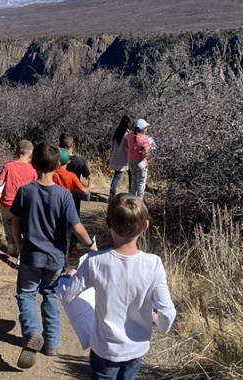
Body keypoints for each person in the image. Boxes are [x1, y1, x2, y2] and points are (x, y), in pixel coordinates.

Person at [58, 193, 176, 380]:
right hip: (136, 347)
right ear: (145, 226)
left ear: (108, 224)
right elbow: (168, 311)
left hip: (105, 348)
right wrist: (159, 323)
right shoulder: (153, 264)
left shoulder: (94, 262)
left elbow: (66, 295)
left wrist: (66, 279)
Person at [10, 142, 98, 369]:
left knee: (27, 295)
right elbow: (76, 226)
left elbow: (15, 223)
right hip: (56, 259)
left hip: (30, 256)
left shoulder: (25, 192)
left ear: (34, 164)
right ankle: (51, 344)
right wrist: (90, 245)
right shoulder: (64, 196)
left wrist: (20, 246)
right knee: (50, 295)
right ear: (58, 164)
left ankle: (31, 332)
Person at [0, 140, 37, 257]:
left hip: (6, 203)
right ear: (31, 154)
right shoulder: (32, 170)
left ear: (17, 151)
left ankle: (11, 246)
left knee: (8, 224)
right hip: (23, 205)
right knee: (23, 227)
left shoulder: (8, 166)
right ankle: (22, 249)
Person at [59, 134, 93, 252]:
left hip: (58, 194)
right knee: (74, 219)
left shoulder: (56, 162)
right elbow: (88, 175)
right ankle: (73, 245)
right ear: (73, 145)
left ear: (59, 145)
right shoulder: (79, 161)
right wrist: (89, 186)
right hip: (74, 194)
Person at [125, 119, 152, 199]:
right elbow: (146, 153)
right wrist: (147, 158)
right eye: (146, 127)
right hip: (140, 162)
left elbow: (126, 146)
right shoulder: (145, 139)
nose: (147, 129)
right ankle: (139, 200)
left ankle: (131, 197)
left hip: (130, 160)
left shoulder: (128, 136)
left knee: (134, 179)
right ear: (143, 129)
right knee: (141, 182)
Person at [108, 115, 134, 197]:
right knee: (131, 174)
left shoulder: (117, 132)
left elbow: (112, 146)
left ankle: (112, 193)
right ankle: (131, 192)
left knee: (117, 175)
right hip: (126, 158)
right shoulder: (129, 134)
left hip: (117, 157)